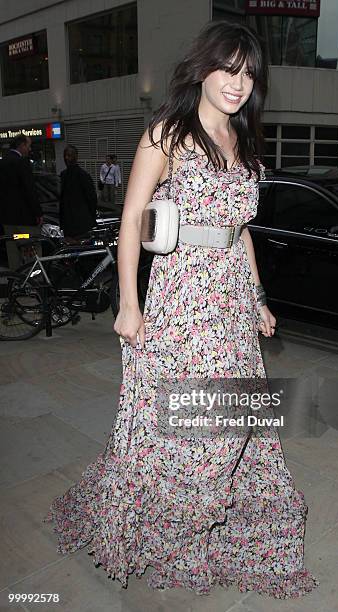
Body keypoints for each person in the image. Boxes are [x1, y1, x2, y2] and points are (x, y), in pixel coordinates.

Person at [43, 20, 319, 599]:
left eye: (249, 74)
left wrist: (260, 298)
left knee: (234, 421)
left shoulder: (242, 142)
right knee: (189, 429)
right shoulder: (167, 134)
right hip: (183, 298)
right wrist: (127, 305)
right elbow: (129, 221)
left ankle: (213, 527)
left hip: (232, 301)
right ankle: (174, 528)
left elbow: (239, 231)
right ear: (203, 68)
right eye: (228, 68)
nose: (238, 83)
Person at [0, 135, 43, 269]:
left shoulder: (2, 162)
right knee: (30, 249)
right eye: (28, 146)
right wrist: (38, 213)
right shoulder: (22, 162)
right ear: (22, 145)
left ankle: (16, 281)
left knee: (12, 249)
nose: (29, 149)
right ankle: (34, 282)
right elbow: (29, 190)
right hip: (24, 220)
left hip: (7, 220)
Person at [59, 145, 97, 240]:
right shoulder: (64, 175)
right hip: (71, 223)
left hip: (81, 223)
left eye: (69, 155)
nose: (66, 158)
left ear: (76, 157)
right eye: (65, 155)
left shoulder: (83, 175)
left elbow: (92, 199)